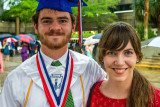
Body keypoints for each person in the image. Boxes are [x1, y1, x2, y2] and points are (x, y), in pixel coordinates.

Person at [0, 0, 106, 107]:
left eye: (63, 20)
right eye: (47, 21)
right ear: (35, 26)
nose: (55, 27)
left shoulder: (91, 69)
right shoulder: (16, 79)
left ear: (73, 26)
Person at [87, 22, 160, 107]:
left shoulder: (154, 99)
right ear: (102, 57)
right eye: (111, 53)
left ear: (137, 57)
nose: (120, 62)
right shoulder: (88, 93)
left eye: (128, 52)